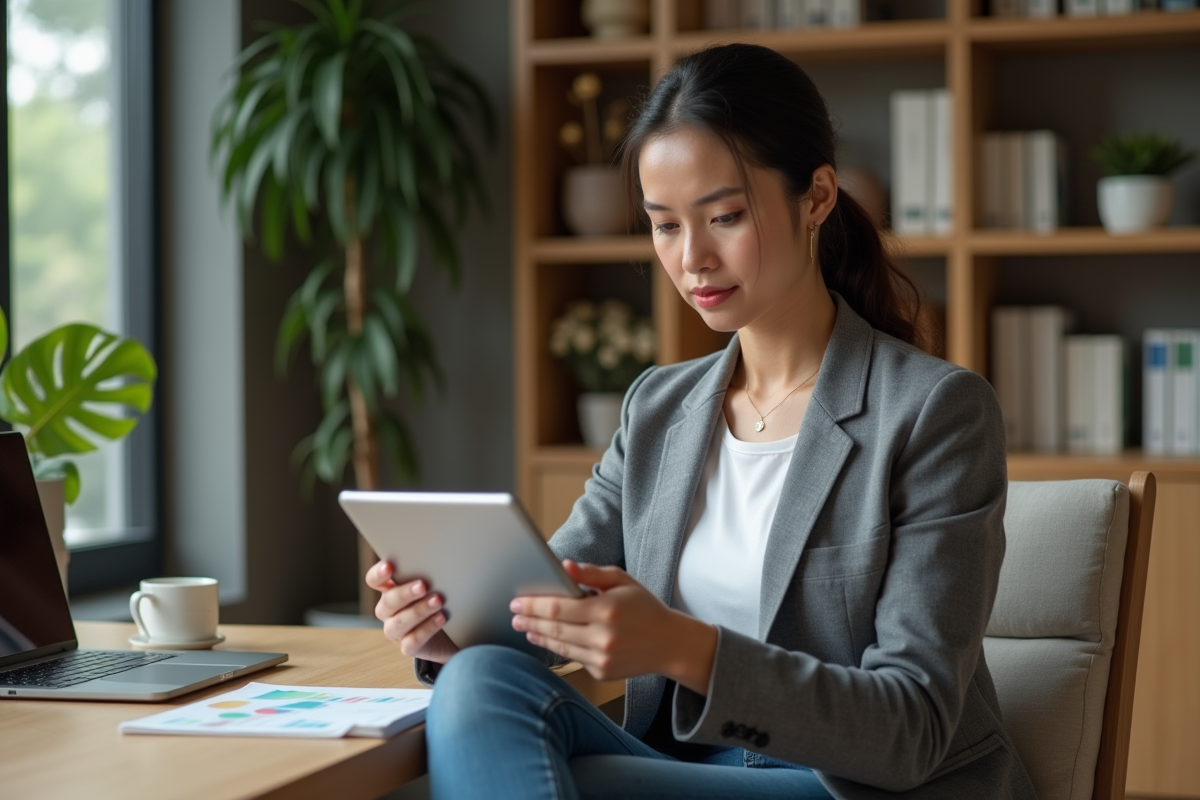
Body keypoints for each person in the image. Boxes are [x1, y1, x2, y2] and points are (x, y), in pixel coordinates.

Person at [366, 43, 1037, 800]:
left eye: (724, 217)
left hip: (850, 785)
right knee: (479, 683)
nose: (693, 259)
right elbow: (548, 600)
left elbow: (910, 728)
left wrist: (687, 649)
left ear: (817, 197)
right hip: (687, 768)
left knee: (575, 782)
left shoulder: (935, 412)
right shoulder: (658, 408)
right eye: (664, 226)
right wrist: (450, 629)